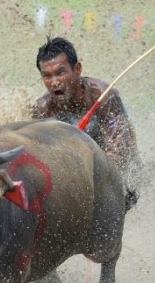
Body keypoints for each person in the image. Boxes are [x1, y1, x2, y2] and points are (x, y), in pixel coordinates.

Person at [30, 36, 142, 210]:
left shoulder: (103, 97)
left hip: (115, 171)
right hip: (75, 176)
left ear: (77, 69)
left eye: (61, 72)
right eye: (47, 76)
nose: (55, 82)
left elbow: (120, 148)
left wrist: (89, 181)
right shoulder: (43, 110)